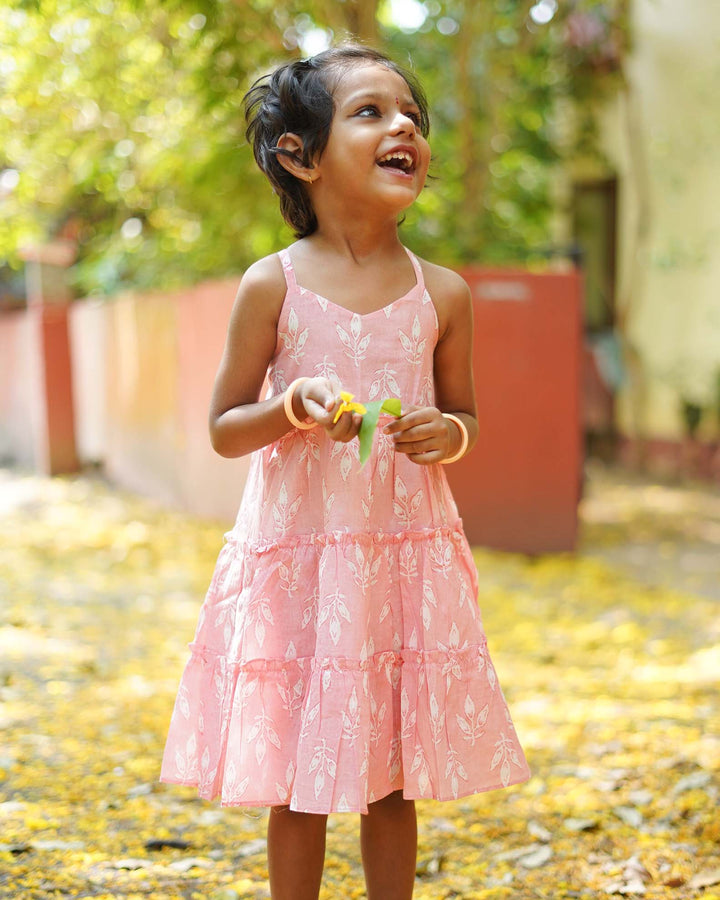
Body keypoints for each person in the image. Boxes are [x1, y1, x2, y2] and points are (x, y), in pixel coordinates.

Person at [160, 42, 530, 900]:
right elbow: (222, 428)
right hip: (302, 559)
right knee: (299, 767)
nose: (404, 126)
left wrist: (453, 435)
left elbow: (464, 413)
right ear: (302, 155)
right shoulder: (272, 286)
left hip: (402, 561)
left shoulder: (443, 295)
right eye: (370, 112)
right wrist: (291, 409)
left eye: (411, 116)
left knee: (392, 769)